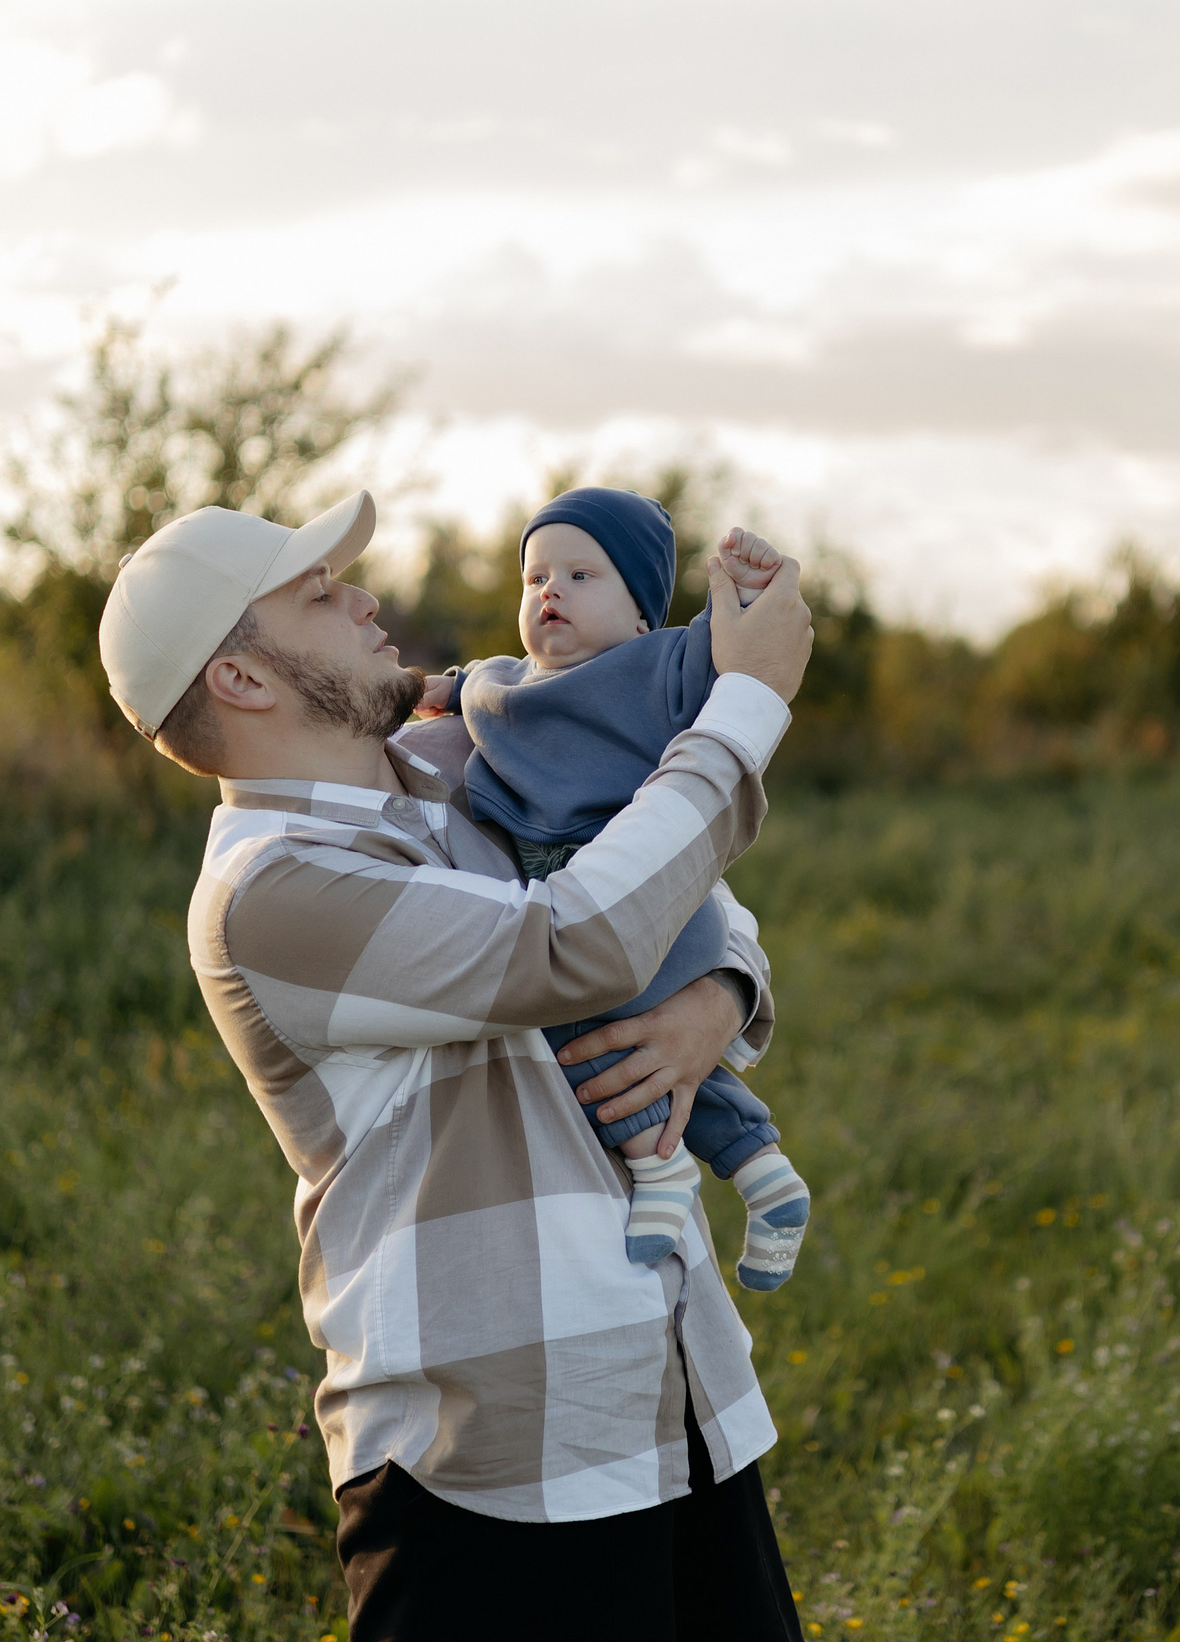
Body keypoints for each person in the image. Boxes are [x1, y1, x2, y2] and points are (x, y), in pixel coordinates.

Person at [96, 492, 813, 1641]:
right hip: (491, 1464)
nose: (365, 596)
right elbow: (570, 942)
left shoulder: (454, 771)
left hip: (678, 1397)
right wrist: (747, 705)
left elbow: (671, 883)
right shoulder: (271, 893)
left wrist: (712, 995)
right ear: (243, 678)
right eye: (319, 595)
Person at [415, 487, 810, 1290]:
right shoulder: (499, 683)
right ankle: (768, 1173)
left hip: (648, 900)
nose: (550, 590)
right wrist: (409, 692)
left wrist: (743, 585)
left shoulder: (654, 666)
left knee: (572, 1026)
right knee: (650, 1054)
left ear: (640, 613)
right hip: (583, 898)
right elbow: (449, 687)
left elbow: (731, 649)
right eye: (535, 577)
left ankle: (658, 1172)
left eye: (582, 575)